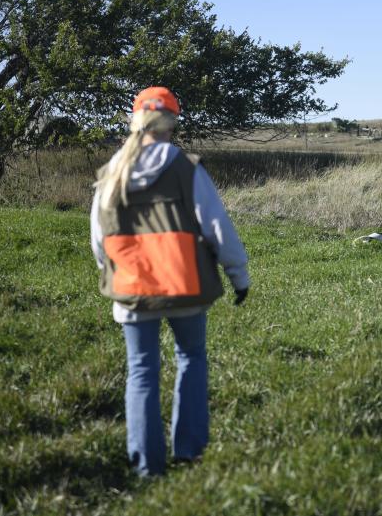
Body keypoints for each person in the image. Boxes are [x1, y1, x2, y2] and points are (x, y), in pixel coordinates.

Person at [90, 86, 250, 477]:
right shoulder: (186, 167)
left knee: (141, 370)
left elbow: (99, 240)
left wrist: (113, 272)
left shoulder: (113, 170)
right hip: (185, 284)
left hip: (131, 289)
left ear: (136, 119)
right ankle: (190, 452)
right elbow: (218, 228)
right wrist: (238, 275)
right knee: (191, 359)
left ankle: (146, 465)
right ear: (172, 121)